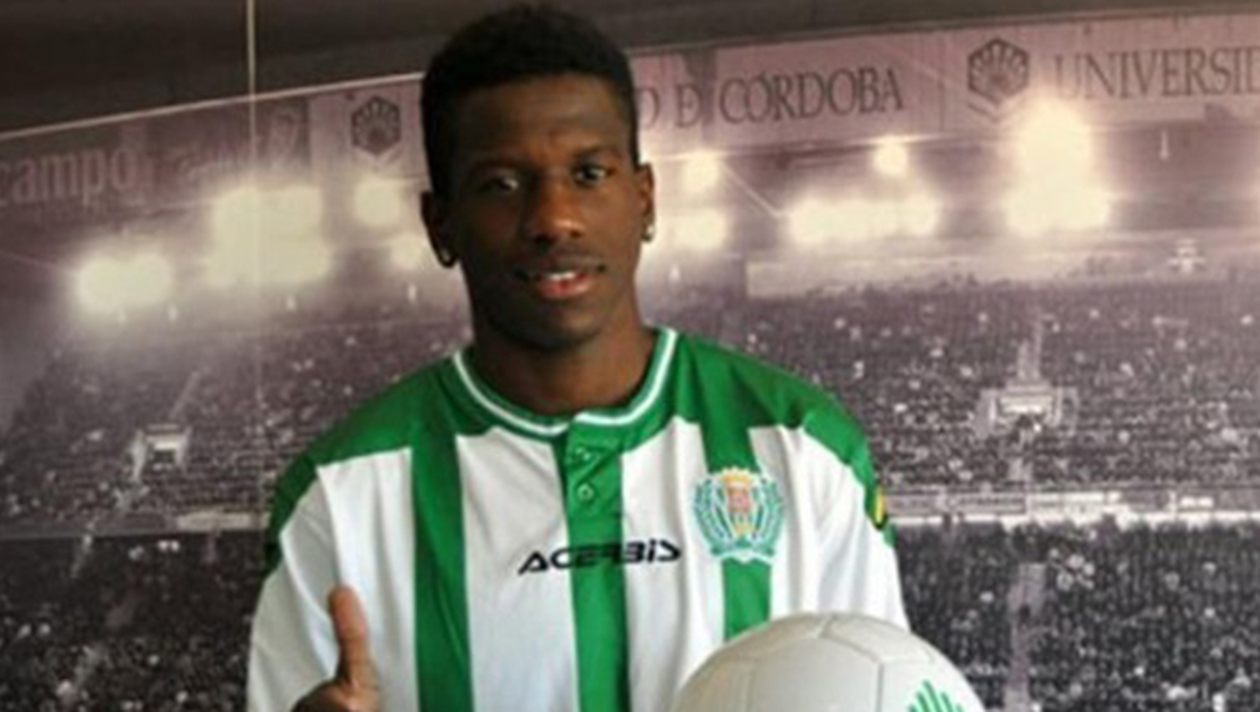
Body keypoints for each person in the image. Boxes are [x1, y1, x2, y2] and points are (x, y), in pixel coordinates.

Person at [246, 5, 906, 712]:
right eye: (502, 184)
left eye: (589, 173)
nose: (553, 218)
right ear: (441, 225)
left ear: (645, 200)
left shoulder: (803, 450)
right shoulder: (340, 496)